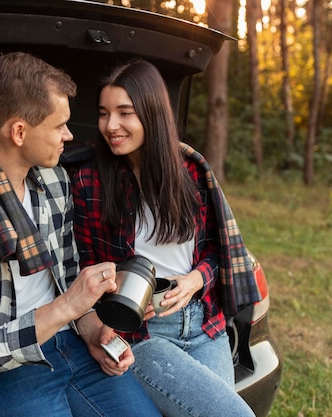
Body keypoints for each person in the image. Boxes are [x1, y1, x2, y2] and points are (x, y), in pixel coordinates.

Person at [0, 52, 162, 417]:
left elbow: (66, 276)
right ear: (19, 132)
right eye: (59, 126)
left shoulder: (53, 181)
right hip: (4, 374)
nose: (69, 134)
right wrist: (65, 308)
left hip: (70, 343)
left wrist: (93, 330)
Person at [72, 59, 260, 417]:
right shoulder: (89, 182)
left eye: (124, 113)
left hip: (206, 325)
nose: (111, 125)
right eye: (103, 113)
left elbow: (216, 252)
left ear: (152, 113)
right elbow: (82, 269)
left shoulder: (190, 171)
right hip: (144, 336)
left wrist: (194, 280)